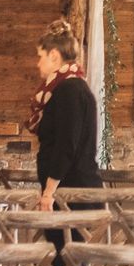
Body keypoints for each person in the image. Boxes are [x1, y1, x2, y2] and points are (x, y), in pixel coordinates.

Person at [31, 18, 102, 204]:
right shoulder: (67, 87)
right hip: (67, 192)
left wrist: (49, 192)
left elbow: (66, 145)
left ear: (53, 55)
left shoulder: (69, 90)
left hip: (71, 197)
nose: (37, 63)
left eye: (40, 56)